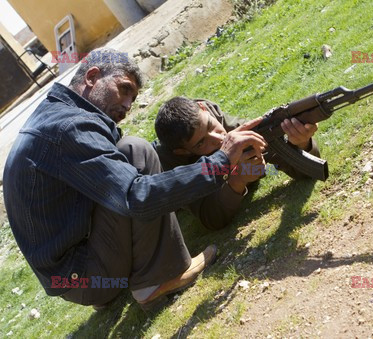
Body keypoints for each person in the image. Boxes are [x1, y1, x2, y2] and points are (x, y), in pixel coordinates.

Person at [2, 48, 266, 310]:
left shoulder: (56, 114)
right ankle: (161, 278)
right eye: (124, 89)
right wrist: (220, 162)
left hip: (74, 279)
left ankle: (112, 288)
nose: (128, 105)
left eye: (133, 97)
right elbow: (138, 197)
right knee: (137, 152)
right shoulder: (69, 128)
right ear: (92, 77)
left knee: (128, 152)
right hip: (87, 279)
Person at [153, 97, 320, 230]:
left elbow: (297, 168)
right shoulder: (171, 163)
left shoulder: (221, 121)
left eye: (211, 125)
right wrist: (237, 180)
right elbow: (211, 218)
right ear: (184, 151)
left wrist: (301, 143)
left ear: (203, 109)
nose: (219, 139)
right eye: (201, 143)